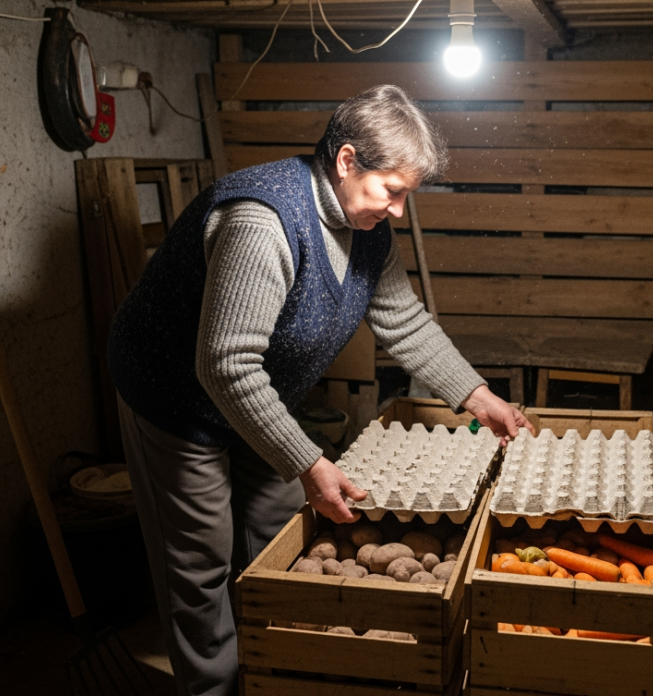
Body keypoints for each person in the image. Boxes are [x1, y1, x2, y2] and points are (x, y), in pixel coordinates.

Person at [106, 84, 532, 696]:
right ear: (347, 161)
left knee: (280, 532)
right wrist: (308, 461)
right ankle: (215, 687)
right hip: (177, 402)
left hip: (256, 396)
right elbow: (226, 364)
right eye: (393, 191)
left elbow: (403, 320)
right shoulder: (263, 222)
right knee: (199, 566)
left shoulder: (367, 224)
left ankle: (278, 671)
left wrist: (478, 397)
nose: (398, 210)